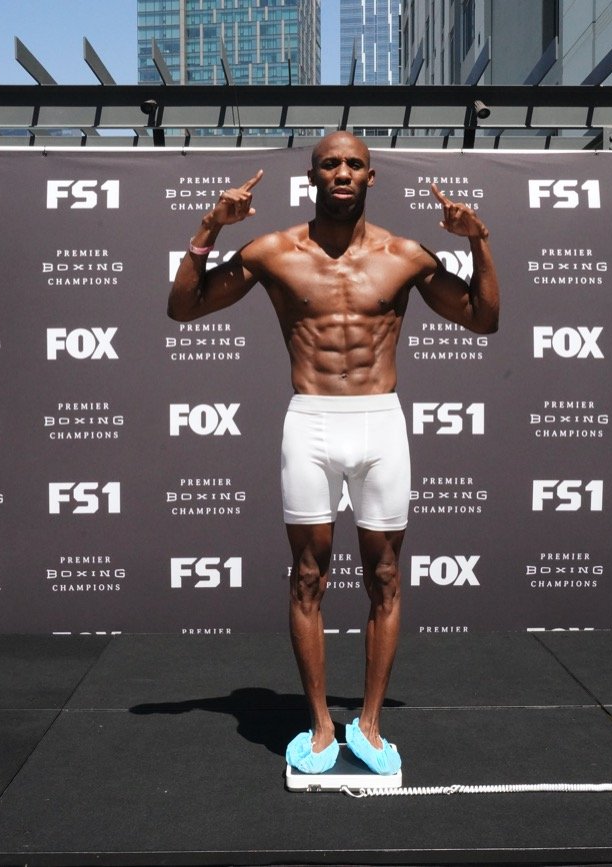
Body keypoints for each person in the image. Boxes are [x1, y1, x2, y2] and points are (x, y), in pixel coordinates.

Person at [168, 131, 499, 774]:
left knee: (384, 576)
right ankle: (320, 723)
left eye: (354, 164)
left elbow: (483, 320)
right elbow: (185, 308)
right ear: (311, 176)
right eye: (330, 164)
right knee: (309, 575)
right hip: (311, 421)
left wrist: (477, 241)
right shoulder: (272, 251)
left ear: (371, 178)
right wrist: (208, 227)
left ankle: (369, 724)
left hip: (380, 422)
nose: (342, 171)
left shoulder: (404, 255)